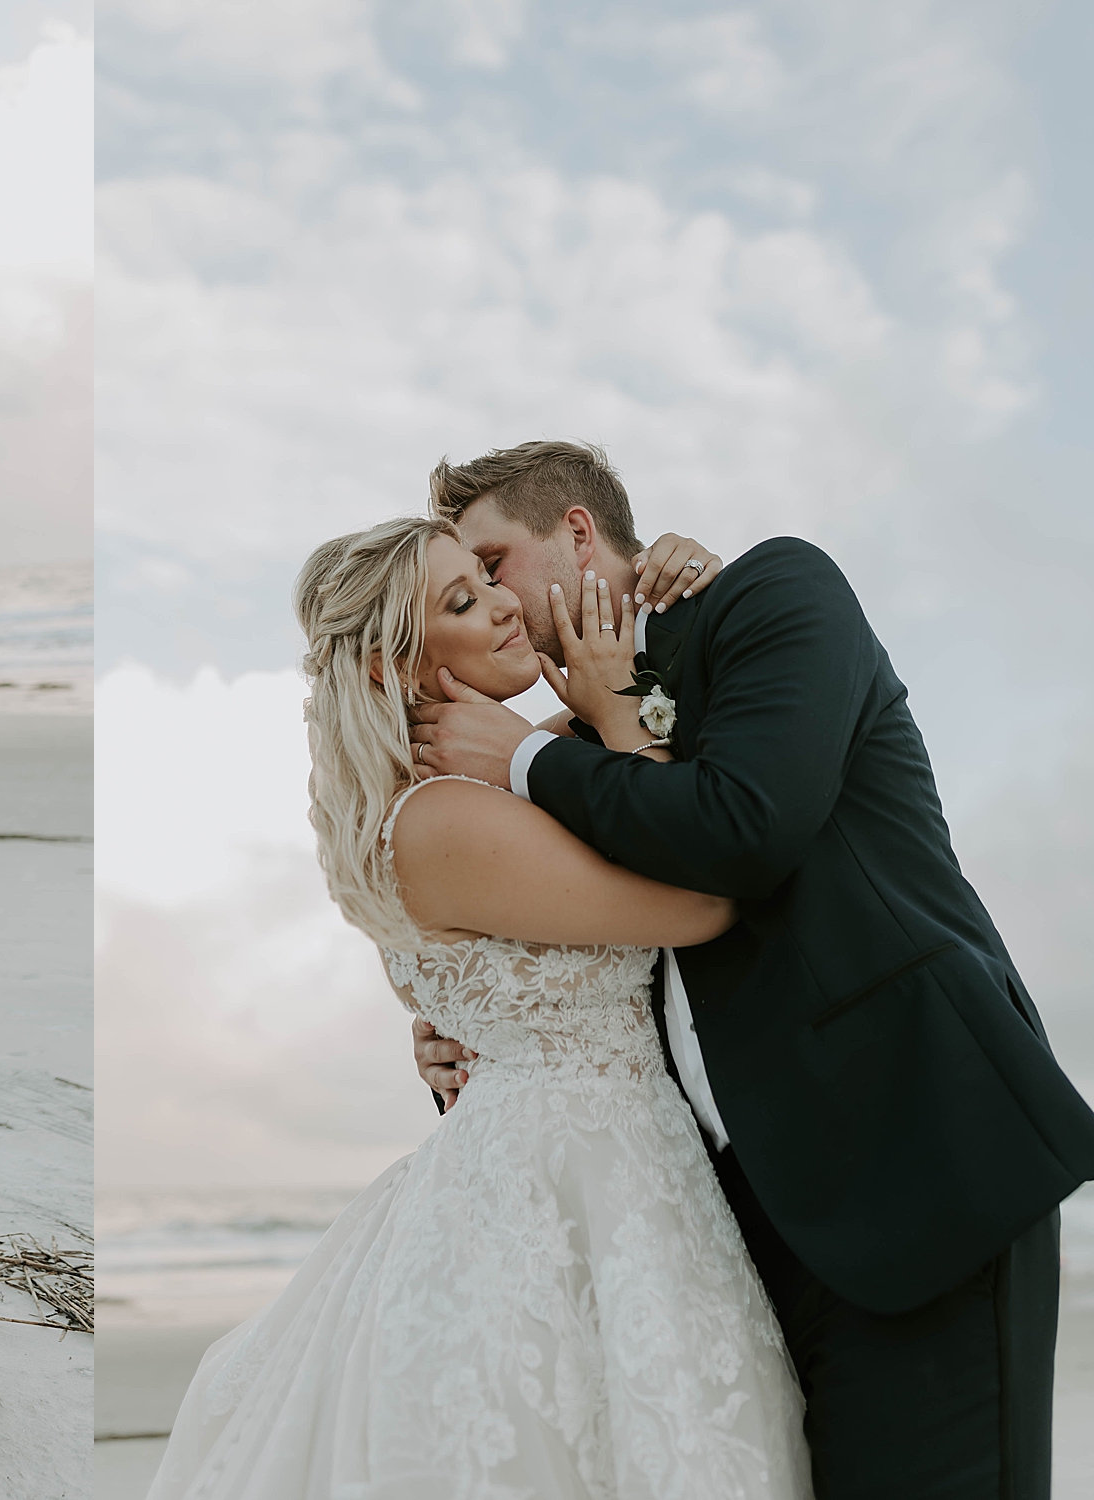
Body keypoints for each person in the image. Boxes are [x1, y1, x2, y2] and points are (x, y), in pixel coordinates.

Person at [409, 440, 1094, 1498]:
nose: (491, 600)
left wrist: (524, 758)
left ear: (578, 532)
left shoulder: (766, 594)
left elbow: (745, 829)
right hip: (721, 1231)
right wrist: (479, 1032)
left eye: (494, 562)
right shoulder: (571, 753)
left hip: (908, 1155)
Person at [149, 513, 812, 1499]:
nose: (504, 603)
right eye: (462, 601)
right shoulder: (442, 817)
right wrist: (616, 698)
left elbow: (593, 758)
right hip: (570, 1183)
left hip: (609, 1164)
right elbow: (699, 897)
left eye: (486, 578)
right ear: (394, 669)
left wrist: (689, 595)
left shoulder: (488, 780)